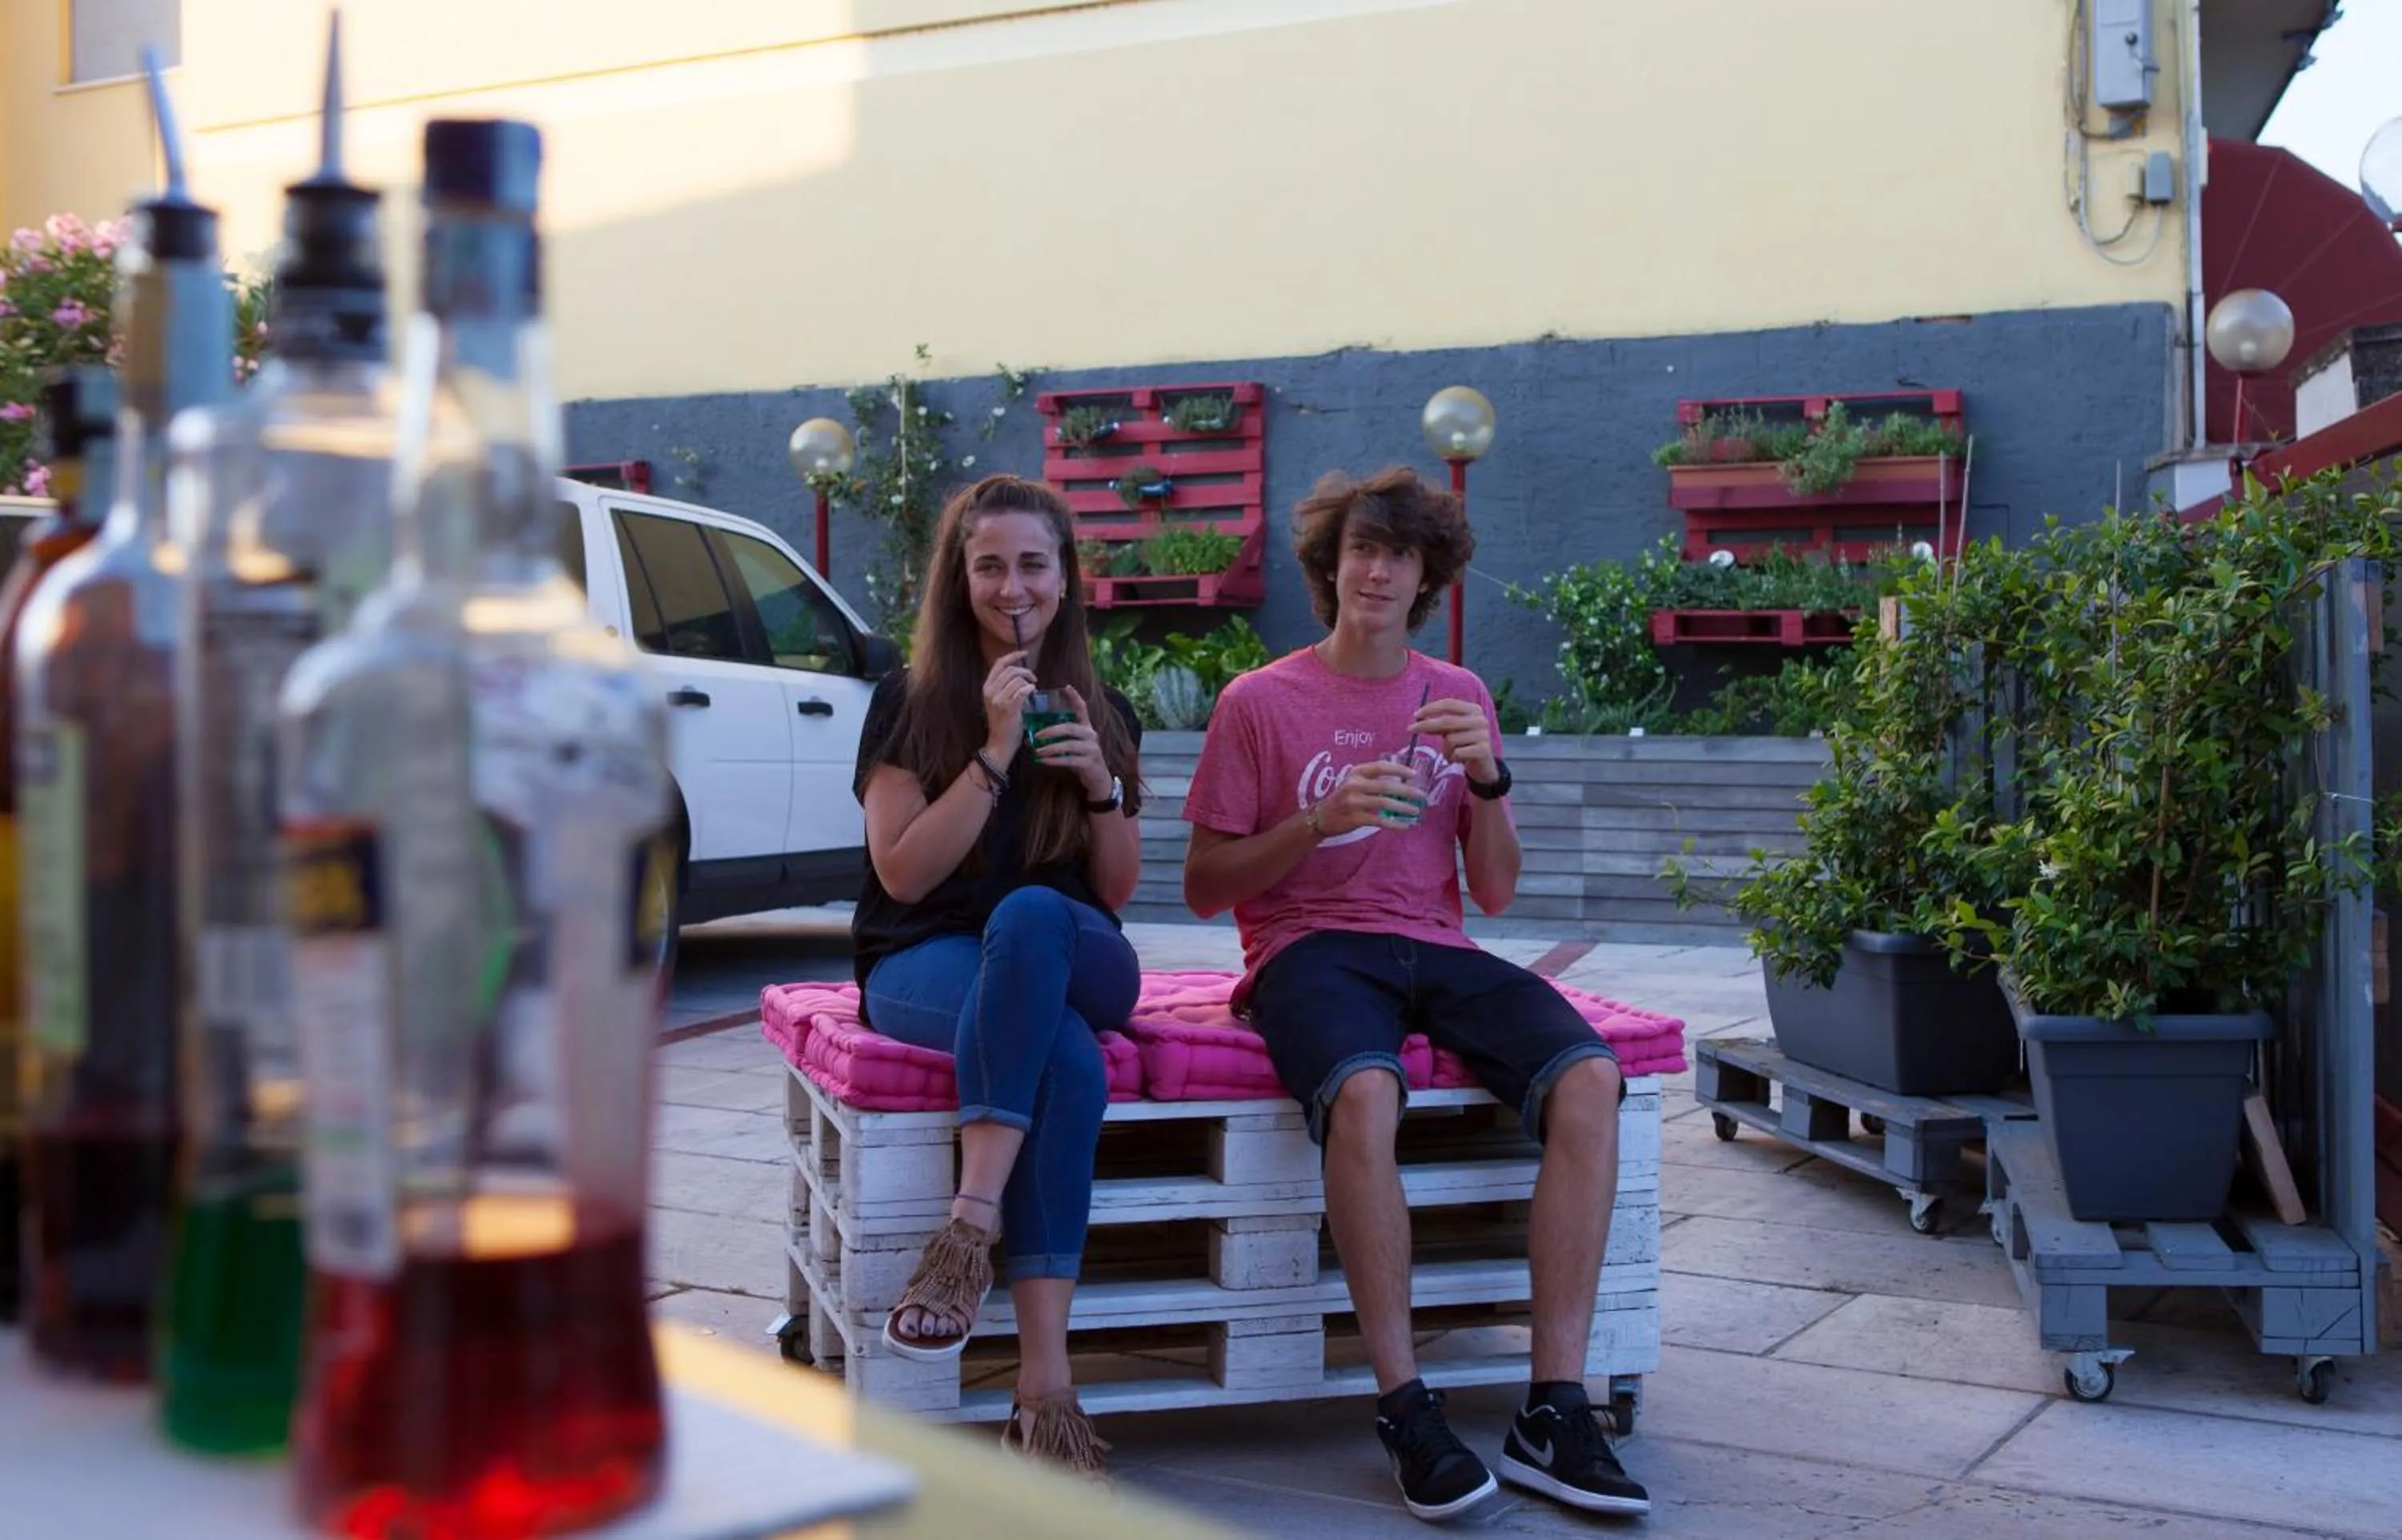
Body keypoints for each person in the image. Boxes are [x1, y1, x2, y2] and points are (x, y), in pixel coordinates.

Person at [1180, 466, 1649, 1522]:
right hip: (1308, 950)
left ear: (1426, 574)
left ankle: (1554, 1408)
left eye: (1400, 553)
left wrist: (1489, 781)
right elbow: (1205, 888)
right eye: (1361, 548)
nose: (1378, 569)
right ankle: (1405, 1406)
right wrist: (1318, 821)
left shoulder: (1459, 695)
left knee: (1588, 1076)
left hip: (1434, 945)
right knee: (1365, 1092)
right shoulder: (1259, 702)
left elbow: (1491, 890)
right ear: (1329, 566)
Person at [850, 474, 1143, 1480]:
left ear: (1063, 579)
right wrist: (995, 749)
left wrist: (1100, 782)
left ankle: (967, 1226)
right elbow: (902, 871)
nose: (1010, 585)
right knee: (1065, 1061)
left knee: (1030, 914)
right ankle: (1046, 1392)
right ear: (958, 578)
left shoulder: (1104, 707)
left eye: (1031, 564)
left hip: (1072, 950)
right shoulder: (909, 700)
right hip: (923, 956)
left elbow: (1115, 889)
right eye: (989, 565)